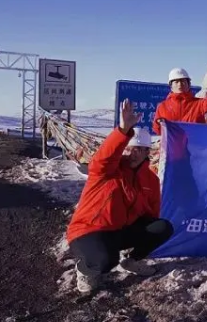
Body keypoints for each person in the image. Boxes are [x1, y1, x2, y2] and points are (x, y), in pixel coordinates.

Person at [66, 99, 174, 294]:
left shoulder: (150, 179)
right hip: (89, 230)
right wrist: (123, 130)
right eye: (129, 148)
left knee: (162, 227)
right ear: (123, 148)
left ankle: (132, 261)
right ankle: (84, 269)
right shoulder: (106, 170)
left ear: (147, 152)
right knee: (106, 261)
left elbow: (152, 213)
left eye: (139, 149)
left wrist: (145, 238)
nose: (133, 153)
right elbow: (104, 157)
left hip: (119, 231)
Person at [152, 65, 207, 135]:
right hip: (173, 143)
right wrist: (158, 124)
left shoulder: (198, 104)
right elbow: (158, 130)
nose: (180, 84)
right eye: (176, 82)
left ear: (189, 84)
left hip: (195, 142)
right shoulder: (162, 106)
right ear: (171, 86)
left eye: (183, 81)